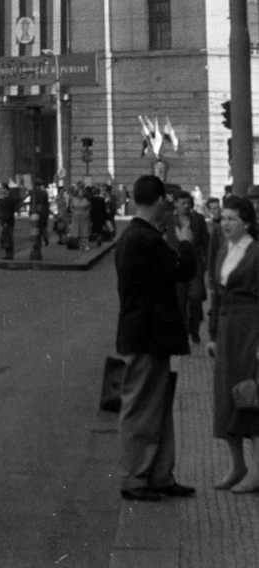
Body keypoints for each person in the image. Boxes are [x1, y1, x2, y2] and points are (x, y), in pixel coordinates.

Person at [114, 173, 197, 502]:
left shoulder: (135, 236)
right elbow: (183, 270)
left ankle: (159, 474)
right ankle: (135, 477)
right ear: (160, 201)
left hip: (147, 335)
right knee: (141, 408)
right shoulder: (145, 239)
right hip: (147, 337)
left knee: (156, 407)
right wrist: (187, 240)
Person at [206, 194, 259, 491]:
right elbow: (217, 295)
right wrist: (213, 336)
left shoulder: (256, 252)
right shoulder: (224, 249)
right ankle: (237, 466)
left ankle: (257, 471)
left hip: (251, 329)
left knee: (251, 396)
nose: (224, 224)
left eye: (231, 219)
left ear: (246, 222)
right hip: (227, 331)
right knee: (227, 397)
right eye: (223, 218)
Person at [175, 194, 210, 345]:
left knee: (196, 296)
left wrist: (206, 263)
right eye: (183, 203)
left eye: (188, 203)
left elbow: (205, 242)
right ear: (176, 203)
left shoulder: (199, 219)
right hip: (176, 267)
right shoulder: (169, 219)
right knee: (180, 300)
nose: (186, 206)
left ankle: (194, 328)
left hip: (195, 265)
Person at [0, 180, 20, 260]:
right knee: (7, 237)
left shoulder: (8, 198)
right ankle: (9, 254)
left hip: (8, 222)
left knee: (8, 237)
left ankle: (10, 255)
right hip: (8, 221)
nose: (1, 190)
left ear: (5, 189)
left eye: (2, 188)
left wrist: (5, 221)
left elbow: (8, 212)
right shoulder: (8, 197)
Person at [29, 181, 50, 262]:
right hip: (42, 214)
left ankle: (37, 248)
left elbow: (31, 204)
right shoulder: (44, 193)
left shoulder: (33, 193)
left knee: (36, 233)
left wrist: (31, 213)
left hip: (36, 214)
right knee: (41, 229)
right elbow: (46, 205)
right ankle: (44, 237)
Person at [71, 182, 91, 251]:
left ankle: (86, 245)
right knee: (78, 231)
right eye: (80, 193)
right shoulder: (74, 200)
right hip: (76, 217)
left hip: (84, 217)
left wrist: (87, 213)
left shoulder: (85, 200)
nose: (81, 194)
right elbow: (71, 208)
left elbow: (88, 207)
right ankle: (80, 245)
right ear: (77, 194)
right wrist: (74, 212)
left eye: (82, 193)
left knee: (85, 231)